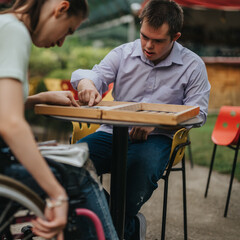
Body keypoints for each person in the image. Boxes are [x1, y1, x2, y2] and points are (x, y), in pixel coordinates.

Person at [0, 0, 118, 239]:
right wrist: (57, 195)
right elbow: (10, 125)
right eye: (67, 30)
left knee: (61, 157)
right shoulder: (13, 33)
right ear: (61, 8)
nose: (61, 42)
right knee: (79, 173)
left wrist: (39, 98)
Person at [70, 0, 211, 239]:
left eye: (158, 41)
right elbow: (93, 75)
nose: (148, 45)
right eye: (144, 36)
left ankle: (108, 226)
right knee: (70, 164)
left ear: (175, 37)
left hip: (158, 139)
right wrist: (86, 84)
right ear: (141, 25)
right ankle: (127, 227)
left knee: (139, 168)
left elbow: (199, 113)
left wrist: (157, 121)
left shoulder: (193, 65)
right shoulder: (123, 53)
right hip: (111, 133)